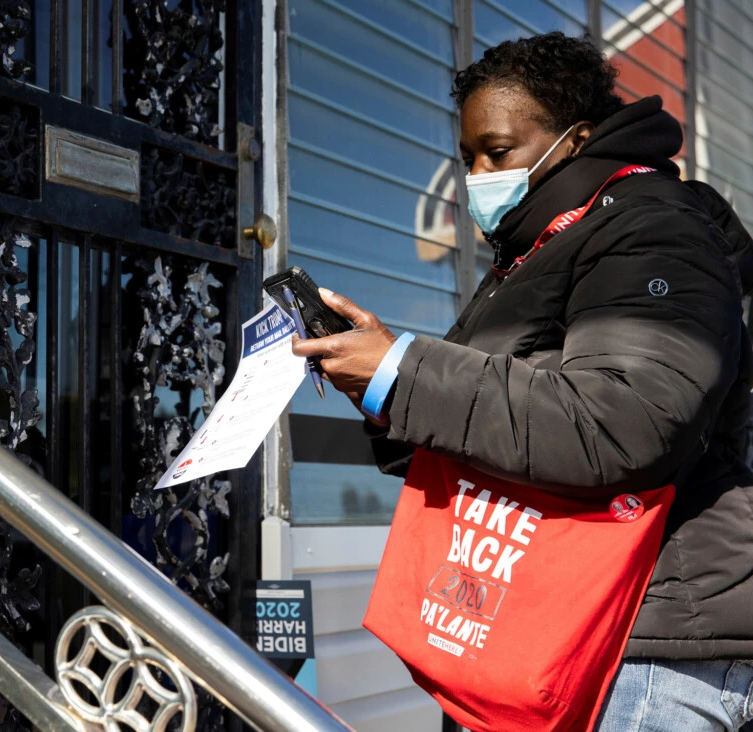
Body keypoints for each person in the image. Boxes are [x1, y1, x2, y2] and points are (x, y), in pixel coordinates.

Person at [293, 32, 753, 731]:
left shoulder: (653, 229)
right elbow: (493, 418)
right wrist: (378, 384)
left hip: (641, 644)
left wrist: (402, 370)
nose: (478, 173)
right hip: (549, 627)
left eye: (498, 151)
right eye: (468, 157)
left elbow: (625, 420)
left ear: (577, 139)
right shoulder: (539, 249)